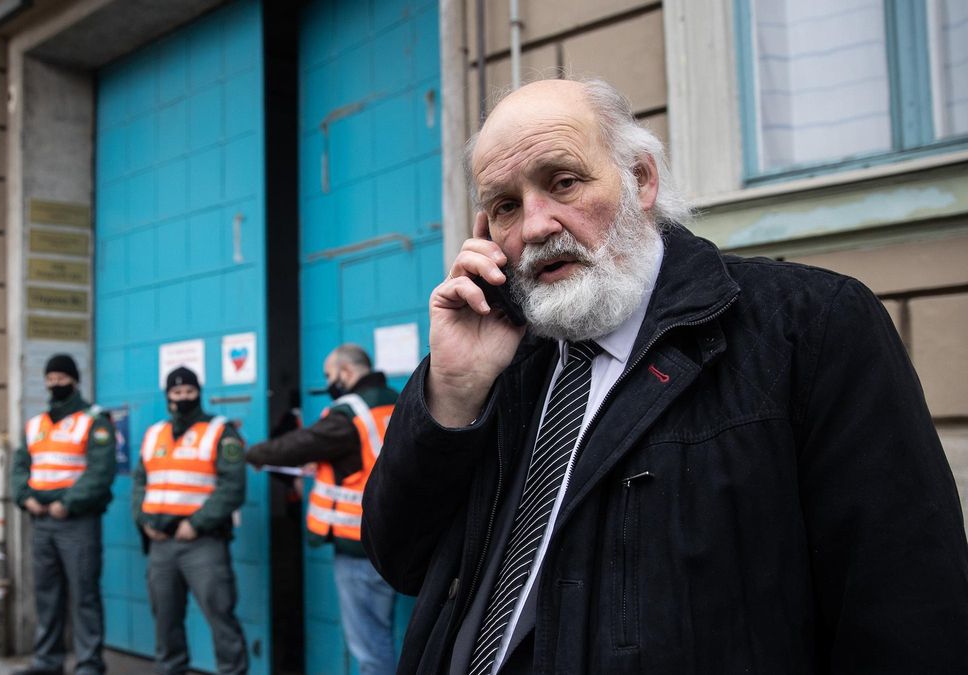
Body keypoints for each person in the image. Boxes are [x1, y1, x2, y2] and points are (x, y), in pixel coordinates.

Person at [361, 77, 968, 674]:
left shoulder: (806, 327)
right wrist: (454, 390)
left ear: (641, 180)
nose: (536, 226)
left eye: (564, 182)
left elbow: (905, 611)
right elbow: (402, 561)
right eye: (505, 207)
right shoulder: (501, 360)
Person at [245, 345, 399, 675]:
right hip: (397, 535)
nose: (329, 383)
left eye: (330, 376)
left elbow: (301, 444)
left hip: (359, 545)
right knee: (383, 633)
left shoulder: (350, 412)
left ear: (345, 372)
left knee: (370, 643)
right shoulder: (396, 400)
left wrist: (256, 454)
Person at [133, 367, 248, 675]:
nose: (182, 398)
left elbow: (233, 486)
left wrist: (196, 523)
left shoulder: (220, 430)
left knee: (220, 617)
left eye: (189, 392)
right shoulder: (154, 433)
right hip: (160, 544)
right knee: (165, 622)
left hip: (202, 542)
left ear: (199, 393)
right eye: (176, 392)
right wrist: (144, 520)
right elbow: (140, 483)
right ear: (167, 396)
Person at [11, 354, 116, 675]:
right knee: (47, 595)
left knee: (84, 594)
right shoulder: (35, 424)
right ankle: (47, 661)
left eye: (61, 377)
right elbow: (20, 467)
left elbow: (100, 472)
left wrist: (67, 503)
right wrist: (25, 498)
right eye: (50, 378)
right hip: (41, 521)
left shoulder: (94, 420)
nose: (55, 383)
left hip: (76, 522)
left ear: (75, 380)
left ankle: (89, 664)